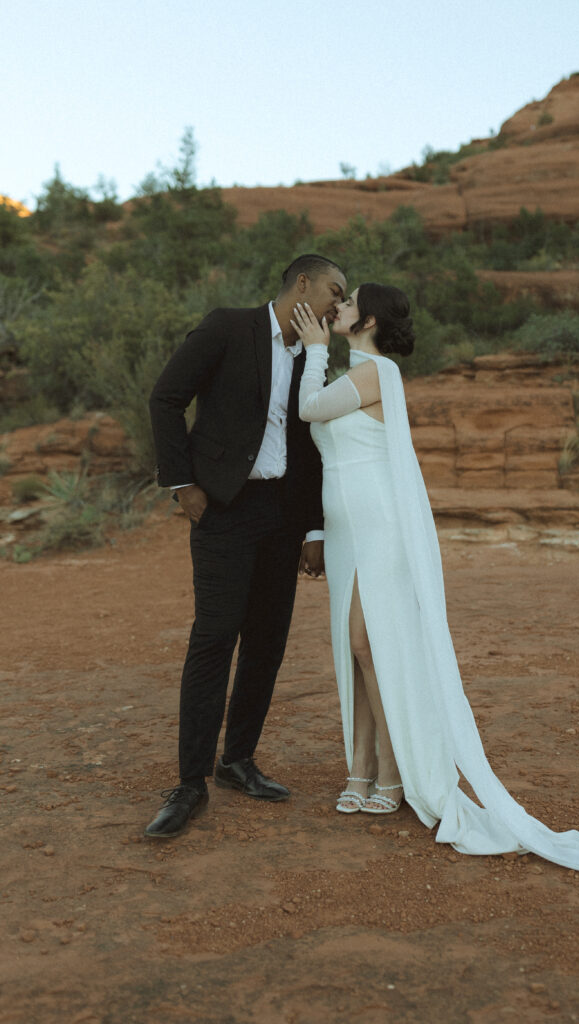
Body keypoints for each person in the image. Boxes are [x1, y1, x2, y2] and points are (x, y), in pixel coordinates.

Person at [291, 285, 579, 892]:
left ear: (365, 320)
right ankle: (361, 770)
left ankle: (390, 773)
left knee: (369, 643)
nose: (335, 308)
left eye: (348, 302)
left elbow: (309, 410)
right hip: (346, 528)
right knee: (356, 645)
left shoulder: (377, 373)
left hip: (380, 526)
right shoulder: (357, 371)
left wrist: (313, 349)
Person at [144, 254, 346, 839]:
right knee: (213, 638)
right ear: (301, 284)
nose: (339, 303)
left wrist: (313, 529)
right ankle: (189, 785)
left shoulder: (314, 355)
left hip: (283, 518)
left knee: (266, 642)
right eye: (334, 290)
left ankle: (237, 761)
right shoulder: (228, 326)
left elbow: (311, 448)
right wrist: (182, 484)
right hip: (225, 509)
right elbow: (165, 398)